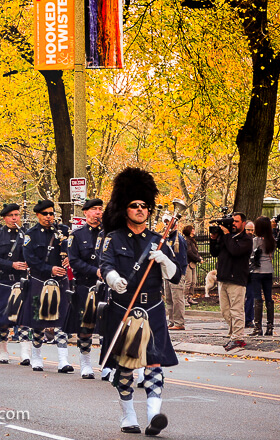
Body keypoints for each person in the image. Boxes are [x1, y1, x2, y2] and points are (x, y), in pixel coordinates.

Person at [99, 167, 182, 436]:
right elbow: (105, 265)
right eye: (134, 205)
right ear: (125, 209)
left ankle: (153, 416)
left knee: (154, 364)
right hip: (124, 307)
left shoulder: (158, 241)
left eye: (144, 206)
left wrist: (164, 260)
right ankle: (128, 415)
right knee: (125, 367)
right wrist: (114, 280)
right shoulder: (113, 238)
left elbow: (177, 276)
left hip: (154, 308)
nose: (140, 210)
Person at [21, 199, 73, 373]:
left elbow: (73, 249)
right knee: (38, 321)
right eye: (45, 214)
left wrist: (69, 258)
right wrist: (50, 268)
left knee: (61, 320)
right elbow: (30, 259)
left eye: (51, 213)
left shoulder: (63, 231)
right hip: (39, 281)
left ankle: (63, 360)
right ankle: (36, 357)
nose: (49, 217)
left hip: (60, 282)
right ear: (38, 215)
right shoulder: (31, 234)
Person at [66, 198, 104, 378]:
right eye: (94, 209)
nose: (98, 212)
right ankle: (86, 363)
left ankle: (107, 365)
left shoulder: (109, 234)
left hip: (106, 286)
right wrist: (95, 271)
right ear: (86, 212)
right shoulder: (77, 235)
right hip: (85, 285)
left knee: (107, 326)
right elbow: (74, 261)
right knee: (85, 326)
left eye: (100, 209)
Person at [0, 203, 29, 364]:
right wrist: (12, 265)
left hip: (21, 281)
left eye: (16, 215)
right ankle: (3, 350)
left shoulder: (26, 234)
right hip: (3, 282)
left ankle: (25, 352)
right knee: (3, 319)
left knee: (23, 318)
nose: (14, 218)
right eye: (11, 216)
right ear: (4, 218)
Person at [210, 212, 251, 351]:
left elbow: (235, 251)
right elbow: (214, 252)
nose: (234, 224)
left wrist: (227, 235)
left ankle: (238, 338)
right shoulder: (226, 237)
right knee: (225, 311)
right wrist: (214, 238)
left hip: (237, 280)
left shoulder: (246, 239)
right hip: (223, 278)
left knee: (236, 311)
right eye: (232, 221)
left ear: (243, 223)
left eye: (237, 221)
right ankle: (234, 335)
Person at [160, 214, 189, 331]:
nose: (167, 225)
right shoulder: (168, 239)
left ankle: (179, 321)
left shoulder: (178, 239)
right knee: (169, 298)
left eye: (169, 223)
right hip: (167, 273)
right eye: (166, 223)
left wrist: (179, 273)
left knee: (177, 298)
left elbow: (180, 258)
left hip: (176, 273)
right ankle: (172, 321)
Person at [249, 216, 275, 336]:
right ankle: (270, 327)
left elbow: (251, 256)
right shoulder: (271, 240)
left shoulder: (255, 241)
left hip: (257, 272)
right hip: (268, 270)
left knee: (257, 298)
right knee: (269, 298)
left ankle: (258, 327)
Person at [182, 225, 201, 307]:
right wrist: (198, 259)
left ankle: (190, 297)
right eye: (192, 229)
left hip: (193, 262)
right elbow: (189, 252)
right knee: (188, 282)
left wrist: (198, 257)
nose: (194, 230)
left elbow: (194, 251)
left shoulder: (192, 240)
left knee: (193, 282)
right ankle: (184, 298)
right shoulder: (187, 240)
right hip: (188, 263)